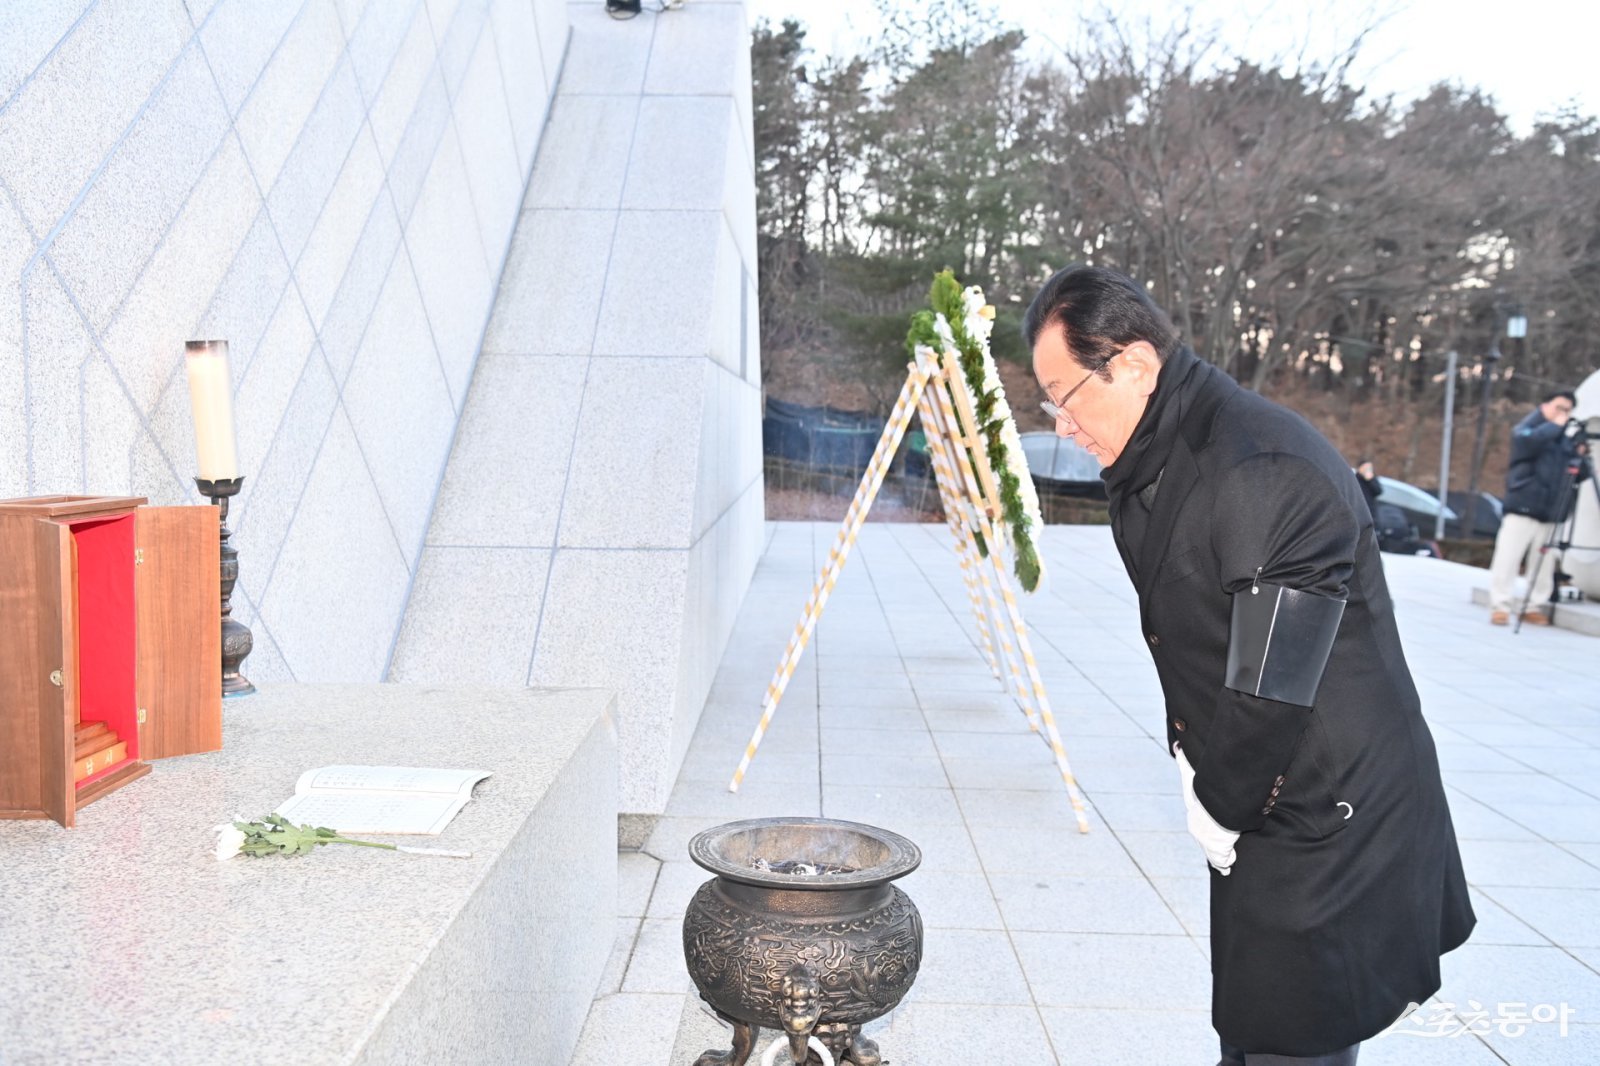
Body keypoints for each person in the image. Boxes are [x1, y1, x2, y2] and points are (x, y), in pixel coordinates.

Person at [1026, 265, 1474, 1066]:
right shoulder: (1162, 449)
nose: (1062, 425)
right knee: (1252, 1018)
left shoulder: (1263, 467)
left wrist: (1219, 800)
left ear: (1134, 364)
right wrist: (1196, 760)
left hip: (1330, 807)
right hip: (1262, 781)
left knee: (1292, 1034)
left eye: (1066, 396)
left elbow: (1273, 683)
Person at [1487, 390, 1582, 625]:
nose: (1563, 414)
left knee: (1543, 563)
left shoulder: (1566, 438)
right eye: (1559, 408)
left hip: (1551, 512)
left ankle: (1533, 605)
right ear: (1545, 406)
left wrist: (1581, 454)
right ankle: (1500, 605)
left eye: (1567, 410)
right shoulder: (1528, 428)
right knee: (1508, 557)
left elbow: (1578, 472)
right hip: (1523, 506)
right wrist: (1554, 426)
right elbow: (1527, 443)